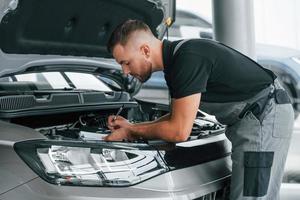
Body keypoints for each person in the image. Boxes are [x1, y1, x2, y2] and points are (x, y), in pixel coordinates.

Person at [104, 19, 294, 200]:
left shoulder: (187, 59)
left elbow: (178, 131)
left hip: (264, 115)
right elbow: (177, 117)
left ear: (145, 50)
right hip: (255, 117)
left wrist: (133, 132)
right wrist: (132, 126)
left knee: (251, 196)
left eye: (125, 62)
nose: (125, 72)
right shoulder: (177, 61)